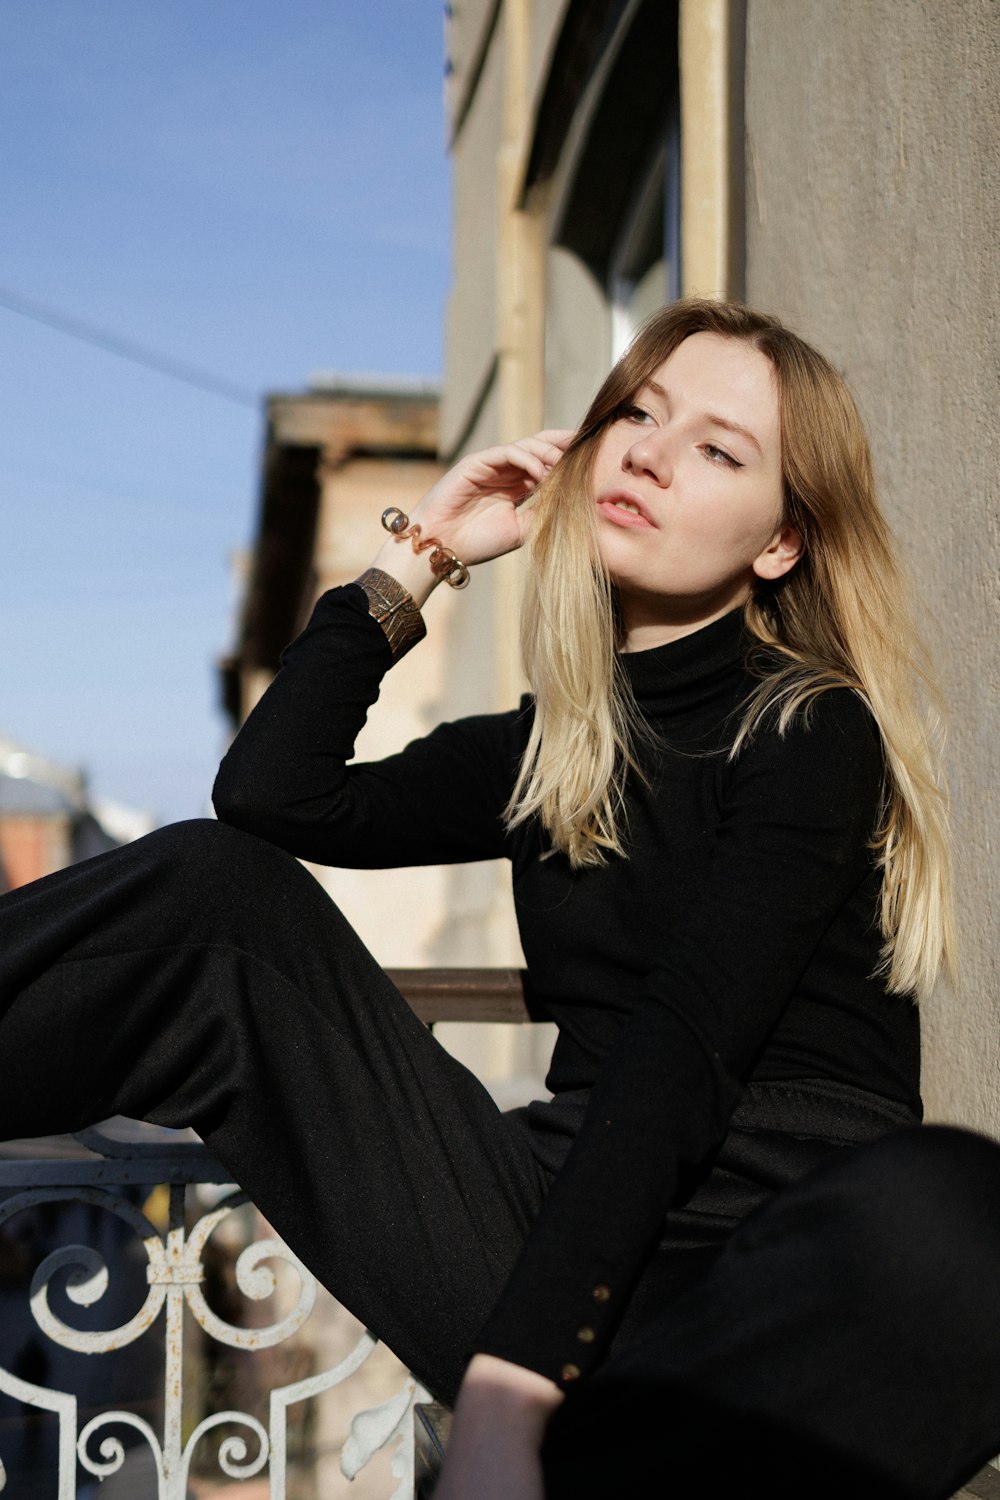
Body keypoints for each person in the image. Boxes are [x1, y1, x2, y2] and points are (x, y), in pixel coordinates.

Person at [1, 299, 999, 1500]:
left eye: (718, 450)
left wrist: (508, 1391)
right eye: (637, 411)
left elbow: (682, 1047)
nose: (645, 451)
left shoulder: (806, 727)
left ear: (780, 543)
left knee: (956, 1212)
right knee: (215, 901)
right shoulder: (551, 749)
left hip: (767, 1272)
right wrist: (420, 553)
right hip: (550, 1227)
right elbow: (271, 796)